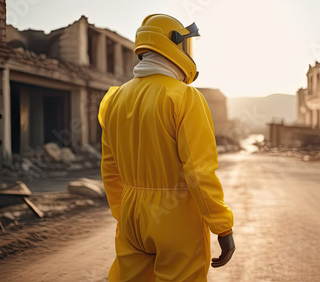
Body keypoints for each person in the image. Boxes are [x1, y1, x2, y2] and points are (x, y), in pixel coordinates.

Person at [98, 14, 235, 281]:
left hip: (131, 217)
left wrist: (124, 214)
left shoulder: (113, 99)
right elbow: (199, 172)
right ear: (174, 44)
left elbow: (109, 169)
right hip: (176, 219)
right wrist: (223, 227)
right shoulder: (184, 97)